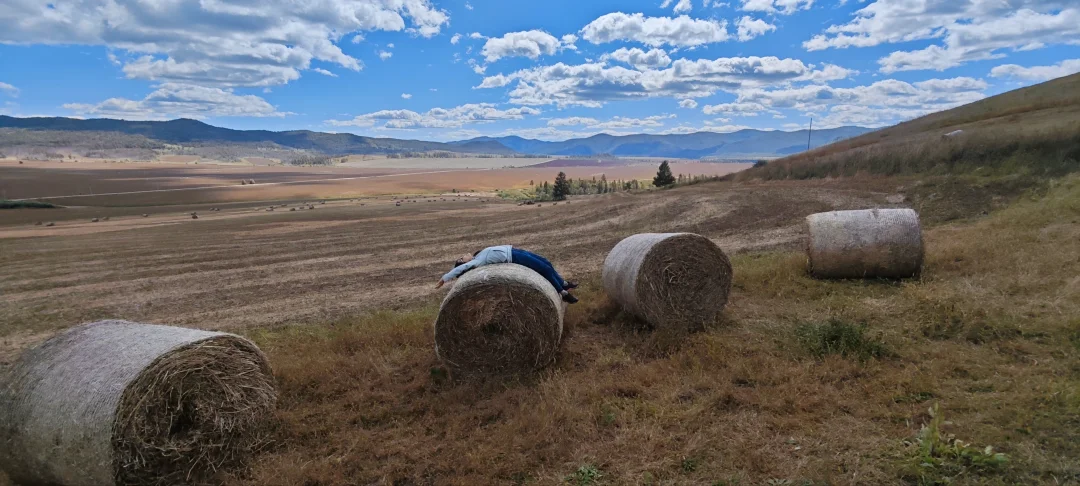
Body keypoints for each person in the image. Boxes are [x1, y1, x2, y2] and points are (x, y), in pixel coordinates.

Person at [435, 245, 579, 303]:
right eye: (462, 259)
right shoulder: (475, 263)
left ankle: (564, 284)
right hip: (514, 257)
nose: (464, 255)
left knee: (546, 263)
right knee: (545, 269)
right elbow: (459, 269)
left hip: (514, 250)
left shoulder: (477, 256)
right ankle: (563, 293)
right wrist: (445, 278)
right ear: (464, 264)